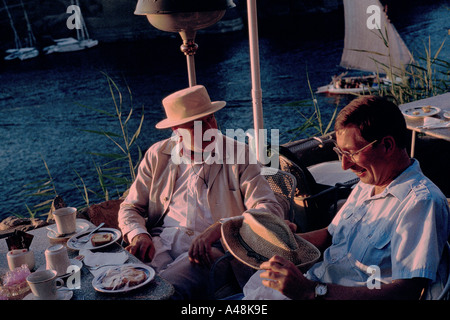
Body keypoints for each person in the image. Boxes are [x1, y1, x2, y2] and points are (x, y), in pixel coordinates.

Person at [240, 95, 449, 300]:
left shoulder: (421, 204)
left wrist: (310, 291)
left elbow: (406, 293)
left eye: (352, 153)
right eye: (341, 153)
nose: (345, 165)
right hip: (316, 284)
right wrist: (285, 240)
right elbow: (330, 235)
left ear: (387, 145)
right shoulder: (368, 183)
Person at [117, 85, 284, 299]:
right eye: (197, 125)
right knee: (122, 284)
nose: (210, 128)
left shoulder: (238, 154)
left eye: (211, 119)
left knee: (162, 293)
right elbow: (130, 207)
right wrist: (139, 235)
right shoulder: (157, 155)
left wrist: (220, 227)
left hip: (214, 250)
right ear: (176, 130)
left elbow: (270, 209)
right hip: (160, 242)